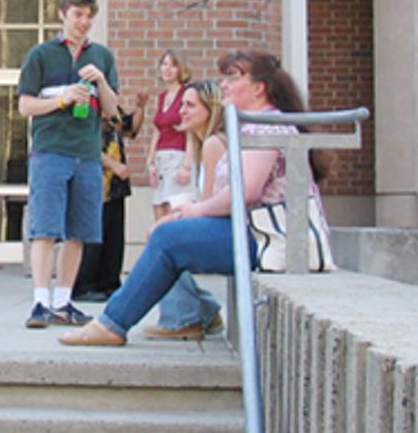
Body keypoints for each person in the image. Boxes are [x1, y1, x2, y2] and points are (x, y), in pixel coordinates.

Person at [58, 49, 315, 347]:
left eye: (232, 78)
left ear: (258, 88)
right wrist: (187, 214)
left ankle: (115, 324)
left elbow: (247, 191)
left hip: (274, 239)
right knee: (170, 233)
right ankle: (174, 315)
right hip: (260, 233)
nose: (224, 86)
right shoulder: (256, 123)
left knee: (169, 238)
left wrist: (192, 212)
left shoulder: (269, 125)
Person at [18, 0, 119, 329]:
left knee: (80, 232)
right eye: (78, 14)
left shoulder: (102, 56)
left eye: (89, 16)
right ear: (62, 14)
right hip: (50, 152)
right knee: (45, 229)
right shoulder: (41, 55)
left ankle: (63, 301)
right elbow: (24, 105)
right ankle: (40, 302)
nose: (84, 22)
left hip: (88, 156)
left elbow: (112, 111)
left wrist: (102, 82)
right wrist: (62, 99)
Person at [143, 79, 226, 340]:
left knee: (165, 238)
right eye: (182, 105)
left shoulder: (214, 144)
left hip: (229, 229)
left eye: (189, 105)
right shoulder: (205, 144)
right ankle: (205, 310)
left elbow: (210, 208)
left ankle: (184, 318)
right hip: (221, 223)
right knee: (164, 230)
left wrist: (176, 217)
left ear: (209, 110)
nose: (181, 111)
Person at [72, 101, 143, 302]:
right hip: (95, 182)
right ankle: (84, 285)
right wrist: (114, 165)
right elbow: (85, 143)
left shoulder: (115, 112)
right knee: (93, 238)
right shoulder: (85, 111)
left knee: (114, 236)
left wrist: (140, 107)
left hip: (115, 186)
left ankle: (110, 282)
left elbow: (131, 130)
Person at [146, 50, 196, 221]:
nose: (167, 69)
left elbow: (192, 132)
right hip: (160, 160)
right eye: (164, 64)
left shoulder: (186, 95)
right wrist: (150, 162)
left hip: (178, 158)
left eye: (173, 65)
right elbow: (157, 130)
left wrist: (187, 166)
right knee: (159, 213)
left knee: (174, 214)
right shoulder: (161, 97)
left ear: (181, 69)